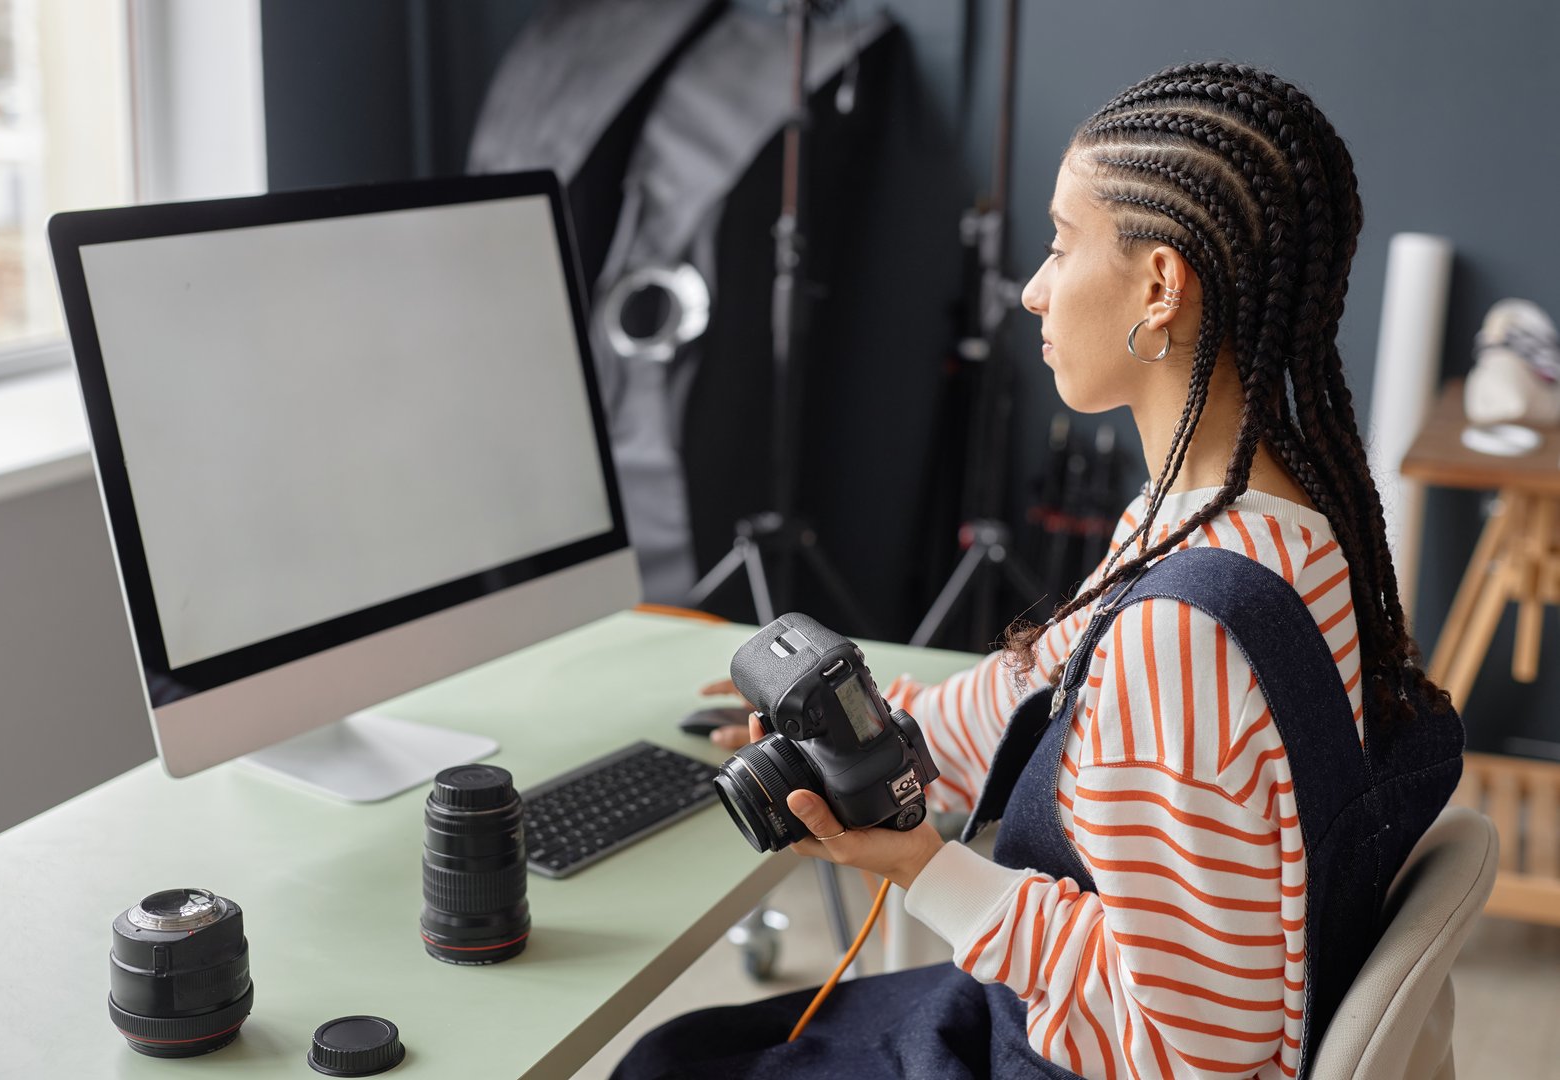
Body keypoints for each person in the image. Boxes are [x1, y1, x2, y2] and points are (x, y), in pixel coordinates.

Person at [617, 61, 1459, 1080]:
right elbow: (1041, 682)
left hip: (1081, 1059)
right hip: (1084, 1021)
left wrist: (929, 872)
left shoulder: (1180, 636)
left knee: (667, 1064)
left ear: (1159, 286)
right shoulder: (1273, 529)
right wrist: (881, 734)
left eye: (1062, 245)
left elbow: (1190, 1054)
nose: (1032, 287)